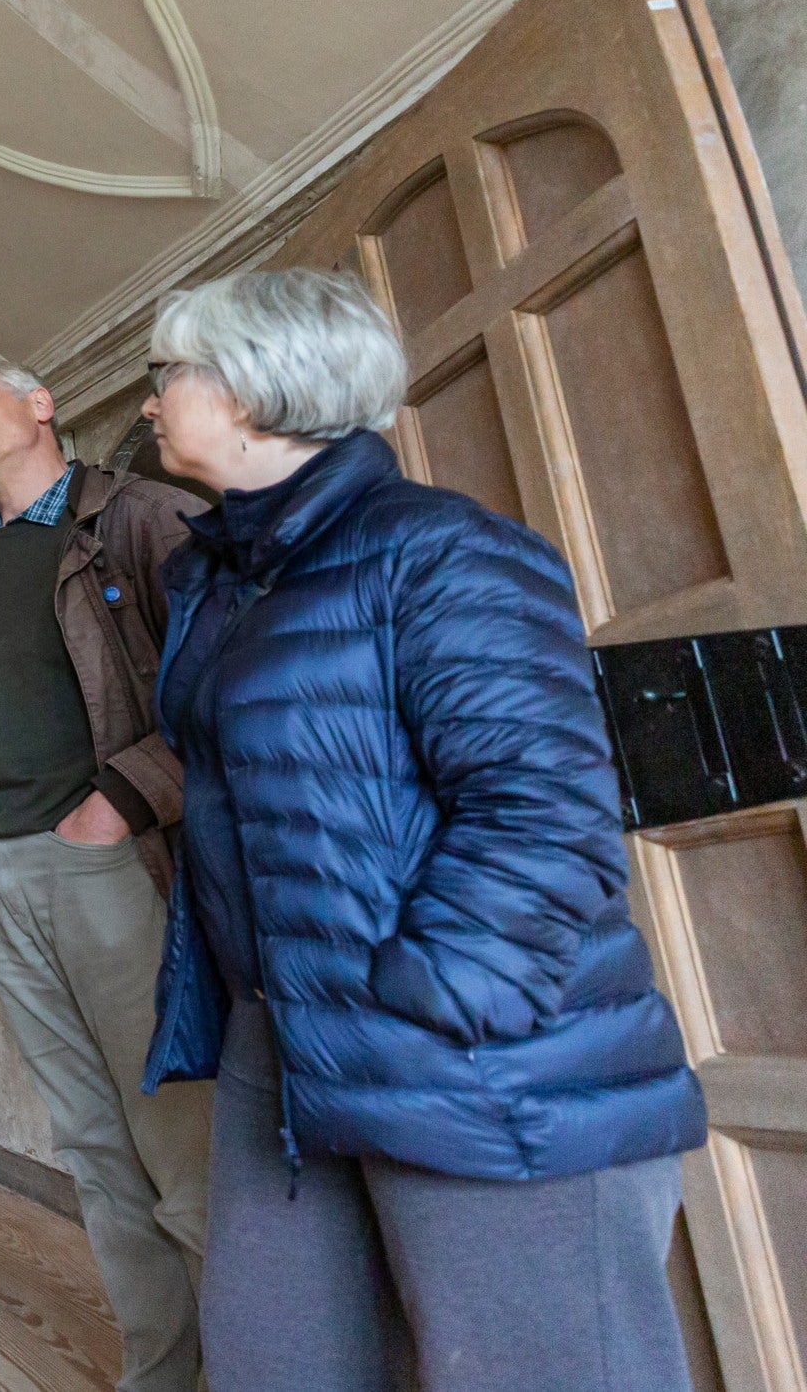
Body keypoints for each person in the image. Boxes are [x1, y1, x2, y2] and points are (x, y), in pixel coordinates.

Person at [139, 268, 706, 1392]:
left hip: (469, 1050)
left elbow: (547, 814)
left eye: (172, 372)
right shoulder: (219, 576)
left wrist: (431, 1002)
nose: (150, 398)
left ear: (255, 389)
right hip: (288, 1042)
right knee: (276, 1364)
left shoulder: (442, 551)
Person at [0, 359, 214, 1392]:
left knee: (181, 1141)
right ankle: (161, 1371)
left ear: (42, 407)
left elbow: (215, 687)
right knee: (91, 1142)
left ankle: (258, 1357)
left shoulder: (140, 518)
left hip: (108, 863)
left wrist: (118, 803)